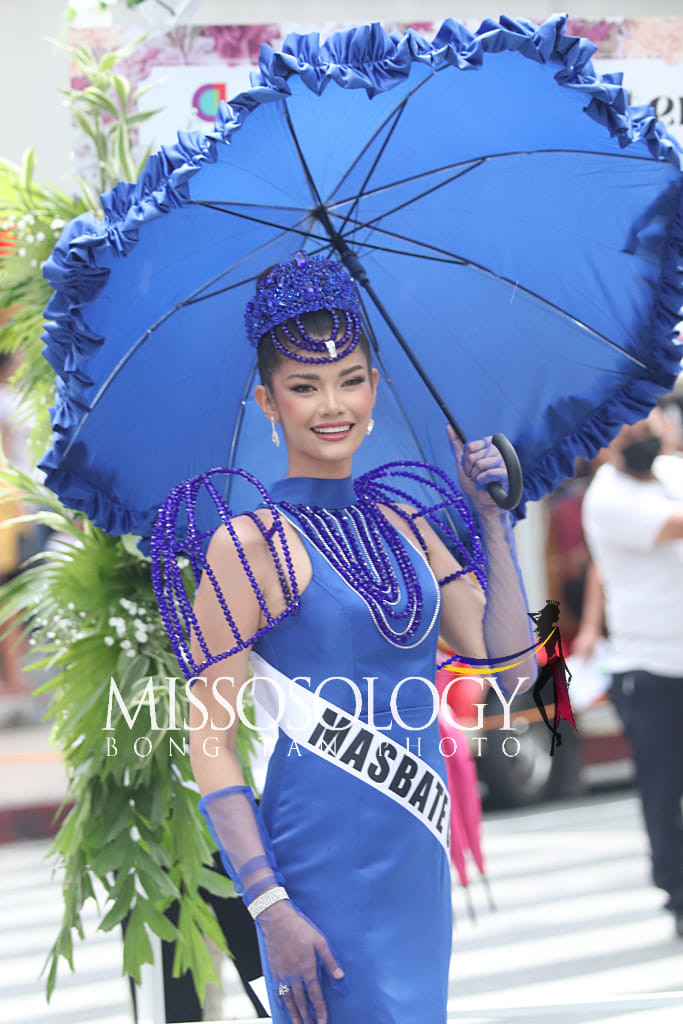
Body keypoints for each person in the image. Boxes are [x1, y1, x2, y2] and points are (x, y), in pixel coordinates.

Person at [154, 253, 536, 1023]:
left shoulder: (406, 523)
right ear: (267, 400)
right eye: (303, 386)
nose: (333, 404)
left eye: (351, 379)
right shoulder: (245, 544)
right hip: (316, 866)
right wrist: (269, 906)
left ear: (372, 386)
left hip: (413, 858)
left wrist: (490, 522)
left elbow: (512, 672)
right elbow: (208, 742)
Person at [580, 405, 683, 938]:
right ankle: (677, 891)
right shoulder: (607, 496)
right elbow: (674, 527)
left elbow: (599, 567)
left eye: (648, 422)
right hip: (650, 665)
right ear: (605, 442)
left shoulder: (671, 472)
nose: (641, 432)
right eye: (628, 427)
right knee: (665, 786)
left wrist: (592, 623)